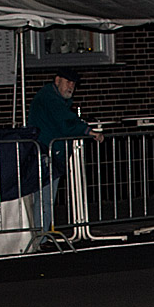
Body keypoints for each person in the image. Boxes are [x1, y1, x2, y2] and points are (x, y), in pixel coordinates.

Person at [27, 68, 104, 235]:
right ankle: (40, 238)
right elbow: (65, 122)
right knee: (45, 200)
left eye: (73, 84)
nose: (71, 86)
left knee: (42, 199)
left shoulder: (49, 97)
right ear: (57, 81)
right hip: (47, 153)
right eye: (68, 82)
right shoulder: (50, 99)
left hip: (45, 152)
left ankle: (39, 236)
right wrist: (88, 131)